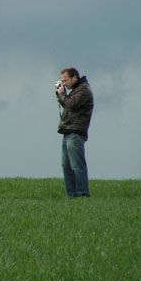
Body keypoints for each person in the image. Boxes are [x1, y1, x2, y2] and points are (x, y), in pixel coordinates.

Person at [56, 67, 94, 198]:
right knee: (66, 166)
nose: (64, 83)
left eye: (65, 80)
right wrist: (60, 95)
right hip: (68, 132)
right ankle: (71, 196)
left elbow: (71, 104)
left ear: (74, 78)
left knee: (77, 165)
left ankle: (82, 194)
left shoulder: (84, 89)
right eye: (62, 81)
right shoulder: (75, 91)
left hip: (76, 132)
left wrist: (62, 94)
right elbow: (68, 106)